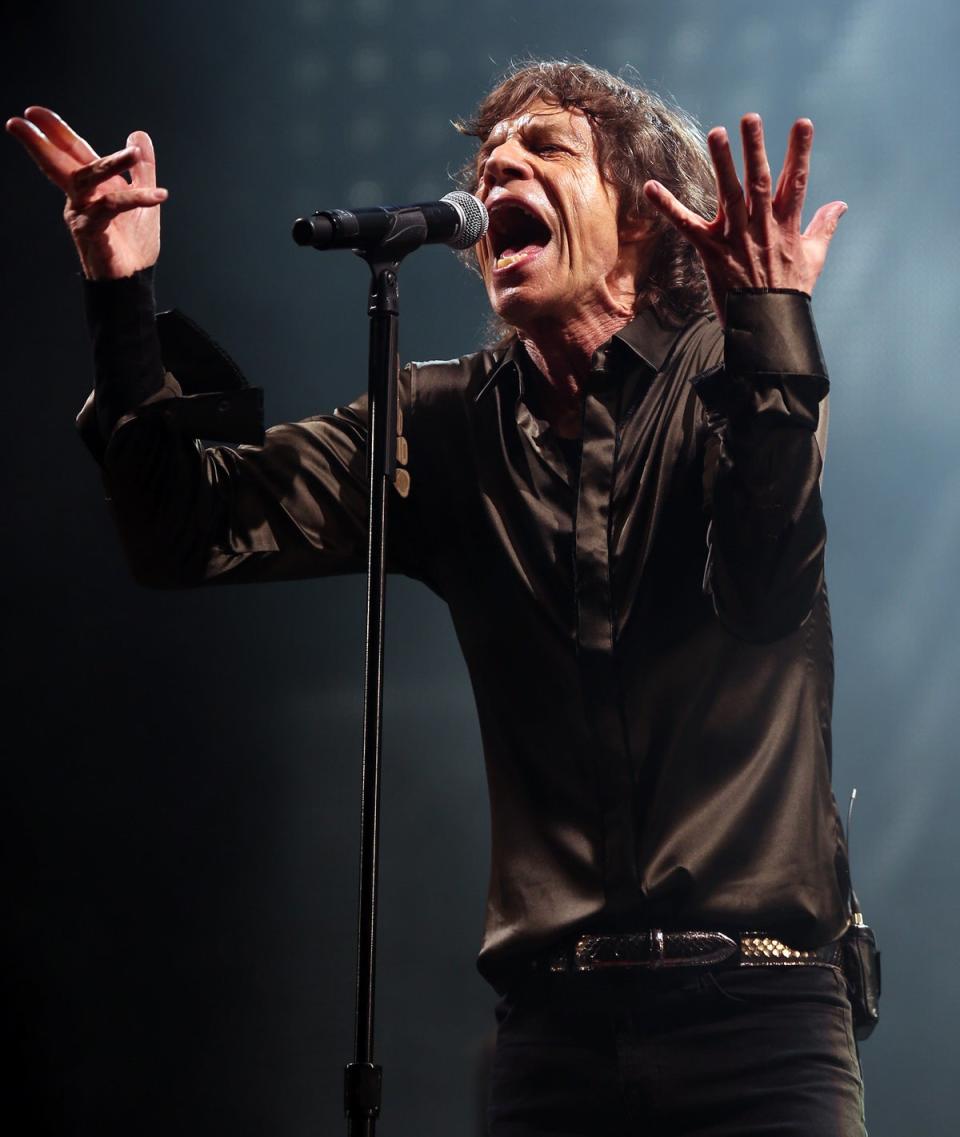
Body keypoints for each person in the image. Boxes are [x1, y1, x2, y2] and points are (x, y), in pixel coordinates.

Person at [8, 60, 865, 1136]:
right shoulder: (446, 423)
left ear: (645, 220)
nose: (499, 160)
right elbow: (188, 528)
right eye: (488, 154)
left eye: (546, 147)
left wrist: (772, 323)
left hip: (759, 1022)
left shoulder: (730, 376)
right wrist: (119, 288)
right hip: (557, 1038)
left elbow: (764, 579)